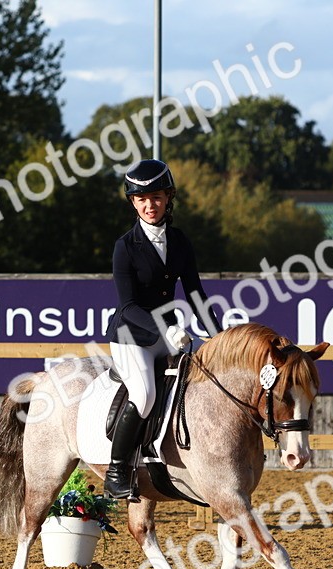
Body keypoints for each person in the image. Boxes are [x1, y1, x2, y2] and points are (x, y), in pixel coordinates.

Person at [103, 158, 224, 500]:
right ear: (133, 202)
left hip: (169, 334)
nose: (149, 205)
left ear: (168, 198)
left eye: (156, 197)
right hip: (132, 337)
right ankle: (116, 471)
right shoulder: (125, 247)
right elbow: (128, 306)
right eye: (141, 199)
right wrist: (165, 329)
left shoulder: (180, 241)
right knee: (144, 394)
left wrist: (219, 337)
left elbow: (196, 294)